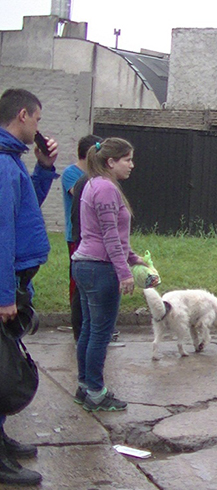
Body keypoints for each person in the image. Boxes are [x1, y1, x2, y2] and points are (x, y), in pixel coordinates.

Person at [0, 88, 59, 486]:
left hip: (15, 281)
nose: (39, 127)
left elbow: (25, 212)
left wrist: (43, 169)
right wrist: (4, 296)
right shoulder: (3, 164)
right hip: (7, 285)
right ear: (23, 115)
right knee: (1, 368)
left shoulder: (13, 160)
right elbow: (2, 233)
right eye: (37, 119)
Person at [71, 137, 145, 412]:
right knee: (100, 333)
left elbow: (114, 238)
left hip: (87, 264)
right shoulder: (104, 188)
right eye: (127, 159)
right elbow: (110, 237)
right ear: (111, 162)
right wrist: (124, 272)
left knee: (90, 330)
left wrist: (134, 258)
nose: (132, 165)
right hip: (98, 268)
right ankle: (97, 392)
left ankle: (85, 386)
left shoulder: (96, 184)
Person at [61, 135, 102, 341]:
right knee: (77, 282)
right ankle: (78, 324)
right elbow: (81, 194)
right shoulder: (72, 174)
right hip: (76, 235)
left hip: (93, 236)